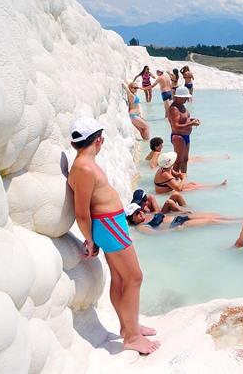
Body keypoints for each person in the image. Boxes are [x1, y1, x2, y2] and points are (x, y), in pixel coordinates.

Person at [66, 117, 159, 354]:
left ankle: (129, 326)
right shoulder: (85, 168)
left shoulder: (83, 164)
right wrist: (90, 239)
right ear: (98, 140)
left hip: (111, 224)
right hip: (109, 226)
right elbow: (82, 211)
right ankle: (131, 336)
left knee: (121, 278)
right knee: (134, 277)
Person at [125, 203, 241, 233]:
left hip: (180, 217)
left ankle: (239, 218)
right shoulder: (141, 227)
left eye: (139, 210)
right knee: (212, 221)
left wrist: (181, 212)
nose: (140, 212)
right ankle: (239, 224)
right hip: (178, 225)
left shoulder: (147, 215)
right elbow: (156, 234)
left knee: (214, 214)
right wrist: (174, 230)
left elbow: (165, 216)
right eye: (136, 213)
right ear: (132, 219)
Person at [153, 152, 227, 193]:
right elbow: (178, 189)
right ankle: (217, 187)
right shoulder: (165, 174)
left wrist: (180, 175)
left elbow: (176, 174)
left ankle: (216, 186)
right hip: (166, 193)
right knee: (195, 187)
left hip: (170, 188)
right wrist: (183, 178)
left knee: (193, 184)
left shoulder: (165, 168)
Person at [168, 86, 198, 174]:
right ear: (178, 97)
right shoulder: (174, 109)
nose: (186, 99)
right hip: (178, 136)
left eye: (186, 97)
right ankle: (175, 180)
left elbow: (184, 119)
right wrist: (191, 124)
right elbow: (175, 126)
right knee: (178, 161)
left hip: (186, 135)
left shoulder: (182, 106)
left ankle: (183, 178)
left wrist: (192, 120)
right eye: (184, 98)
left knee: (185, 159)